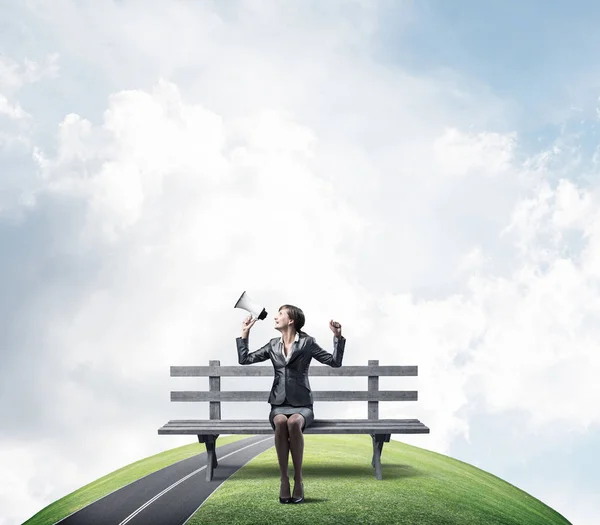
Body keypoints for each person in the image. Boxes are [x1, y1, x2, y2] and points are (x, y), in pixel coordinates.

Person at [236, 304, 345, 504]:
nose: (275, 317)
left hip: (302, 406)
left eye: (280, 314)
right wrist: (245, 333)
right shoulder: (272, 345)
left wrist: (337, 337)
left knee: (293, 423)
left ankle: (299, 479)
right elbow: (245, 359)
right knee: (280, 422)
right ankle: (284, 479)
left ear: (291, 320)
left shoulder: (307, 343)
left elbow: (334, 362)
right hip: (278, 404)